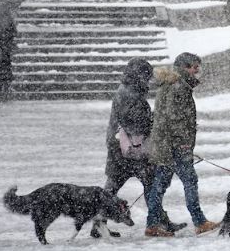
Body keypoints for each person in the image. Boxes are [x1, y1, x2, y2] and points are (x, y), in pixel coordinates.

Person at [91, 58, 185, 239]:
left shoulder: (125, 90)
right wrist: (156, 119)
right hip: (134, 151)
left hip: (117, 147)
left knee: (110, 190)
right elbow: (138, 125)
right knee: (150, 187)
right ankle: (159, 222)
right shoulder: (132, 95)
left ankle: (98, 224)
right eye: (146, 76)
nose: (149, 80)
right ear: (139, 76)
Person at [144, 52, 219, 237]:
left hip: (166, 144)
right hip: (176, 145)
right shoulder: (178, 87)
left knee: (160, 184)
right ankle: (199, 221)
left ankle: (153, 224)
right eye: (195, 67)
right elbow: (174, 119)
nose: (197, 70)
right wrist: (184, 143)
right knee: (189, 182)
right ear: (185, 67)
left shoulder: (173, 84)